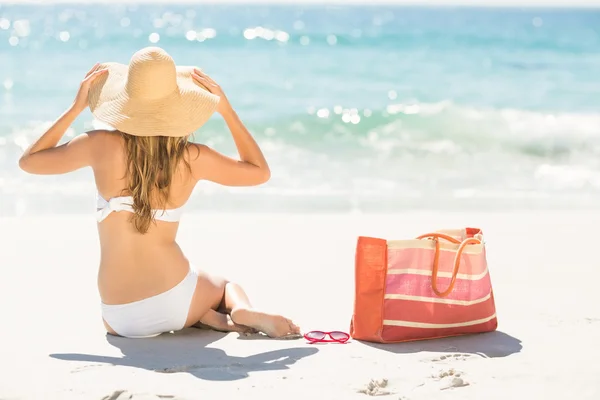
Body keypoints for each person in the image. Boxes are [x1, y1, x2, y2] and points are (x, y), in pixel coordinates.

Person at [18, 46, 301, 339]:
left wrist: (76, 107)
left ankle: (208, 318)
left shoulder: (97, 144)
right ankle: (236, 311)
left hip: (119, 317)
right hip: (175, 298)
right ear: (178, 107)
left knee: (183, 295)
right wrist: (226, 111)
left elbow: (29, 162)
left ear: (125, 100)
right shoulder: (193, 157)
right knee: (225, 287)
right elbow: (259, 171)